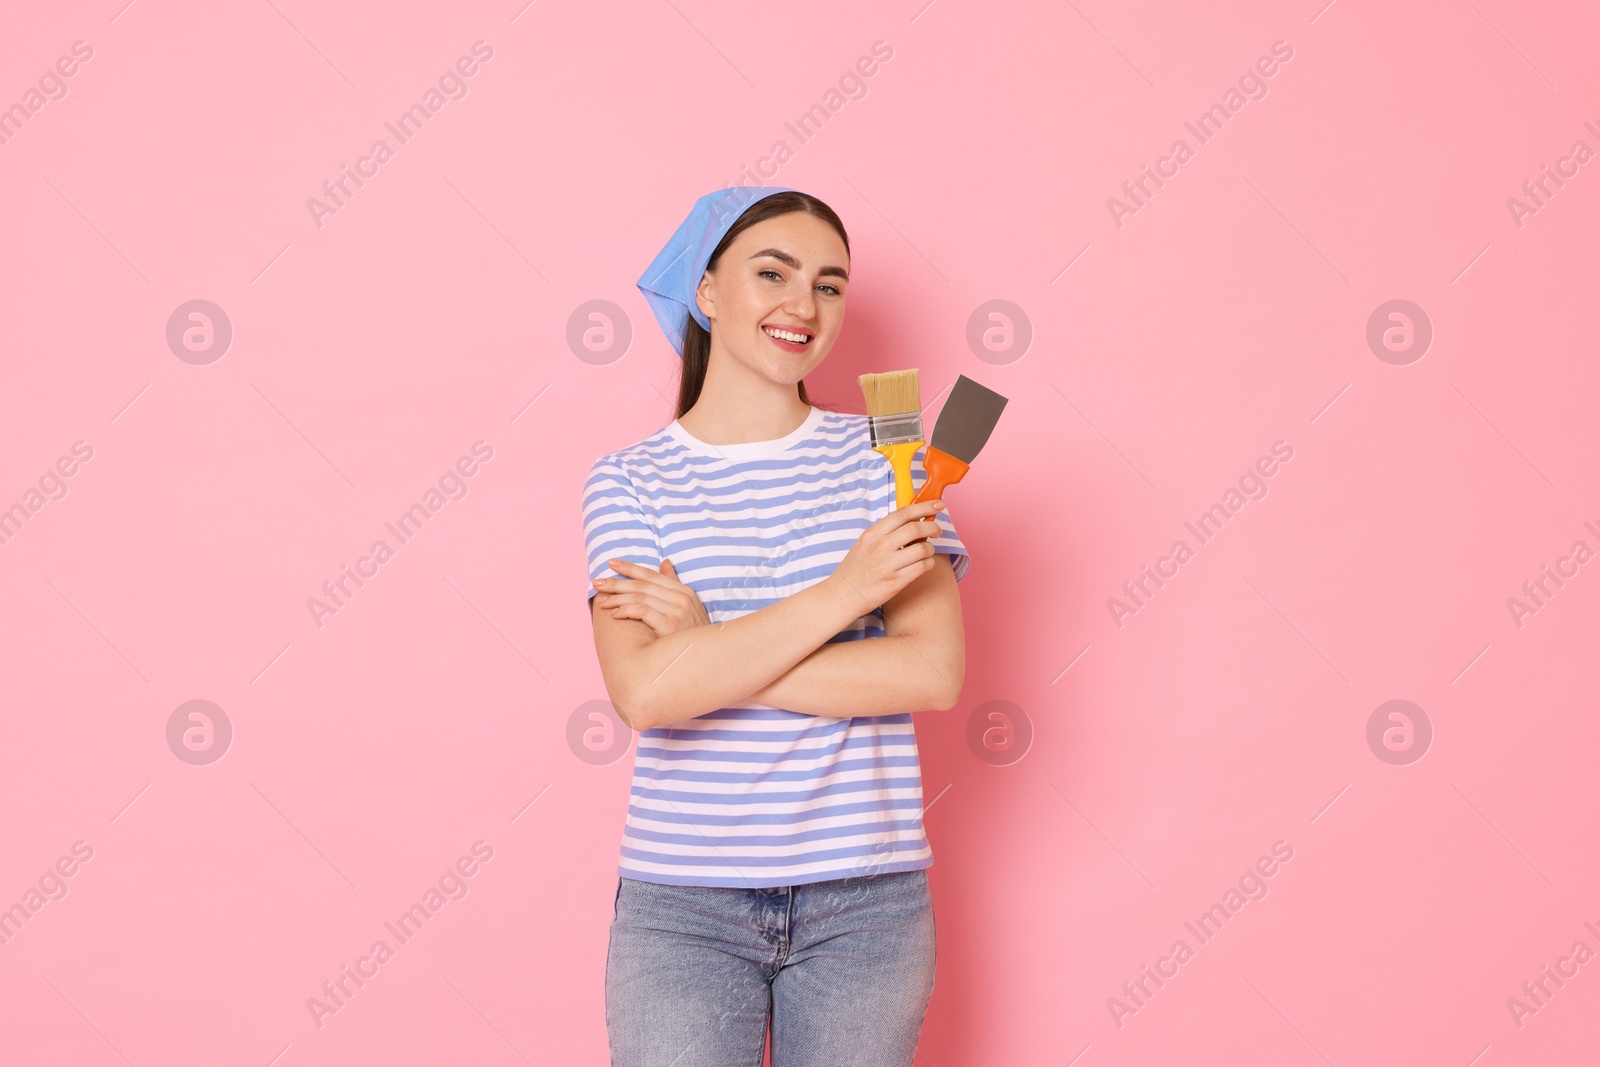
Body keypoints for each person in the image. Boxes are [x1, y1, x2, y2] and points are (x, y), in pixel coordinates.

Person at [581, 186, 971, 1066]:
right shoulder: (628, 481)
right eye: (773, 273)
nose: (804, 305)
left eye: (830, 285)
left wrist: (709, 643)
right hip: (683, 909)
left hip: (866, 904)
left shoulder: (890, 454)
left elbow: (931, 673)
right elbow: (645, 692)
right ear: (706, 292)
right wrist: (846, 594)